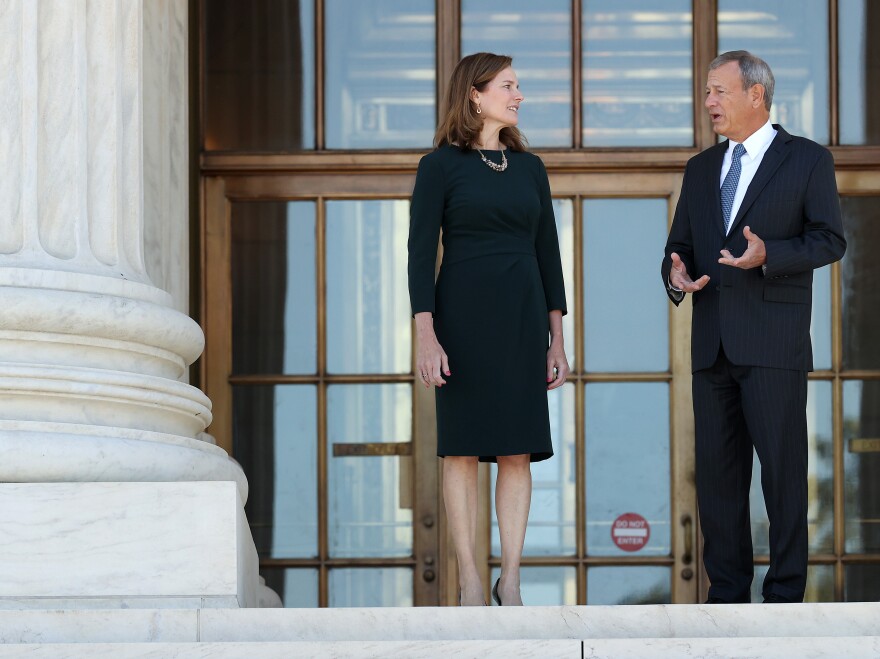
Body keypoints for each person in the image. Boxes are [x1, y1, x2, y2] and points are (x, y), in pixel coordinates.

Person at [662, 51, 846, 604]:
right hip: (711, 344)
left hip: (773, 345)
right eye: (707, 92)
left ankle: (786, 594)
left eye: (719, 91)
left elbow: (830, 240)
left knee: (783, 476)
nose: (709, 102)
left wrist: (771, 254)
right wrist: (674, 272)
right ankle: (727, 595)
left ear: (756, 95)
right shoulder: (699, 168)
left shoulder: (808, 160)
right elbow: (681, 246)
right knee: (718, 482)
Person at [407, 52, 569, 607]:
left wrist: (558, 339)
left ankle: (512, 579)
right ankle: (471, 580)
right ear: (475, 94)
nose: (518, 95)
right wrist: (426, 336)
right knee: (461, 452)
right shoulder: (440, 167)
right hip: (462, 321)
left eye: (517, 86)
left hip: (523, 319)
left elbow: (549, 253)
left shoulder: (531, 168)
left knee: (517, 450)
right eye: (508, 85)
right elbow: (419, 254)